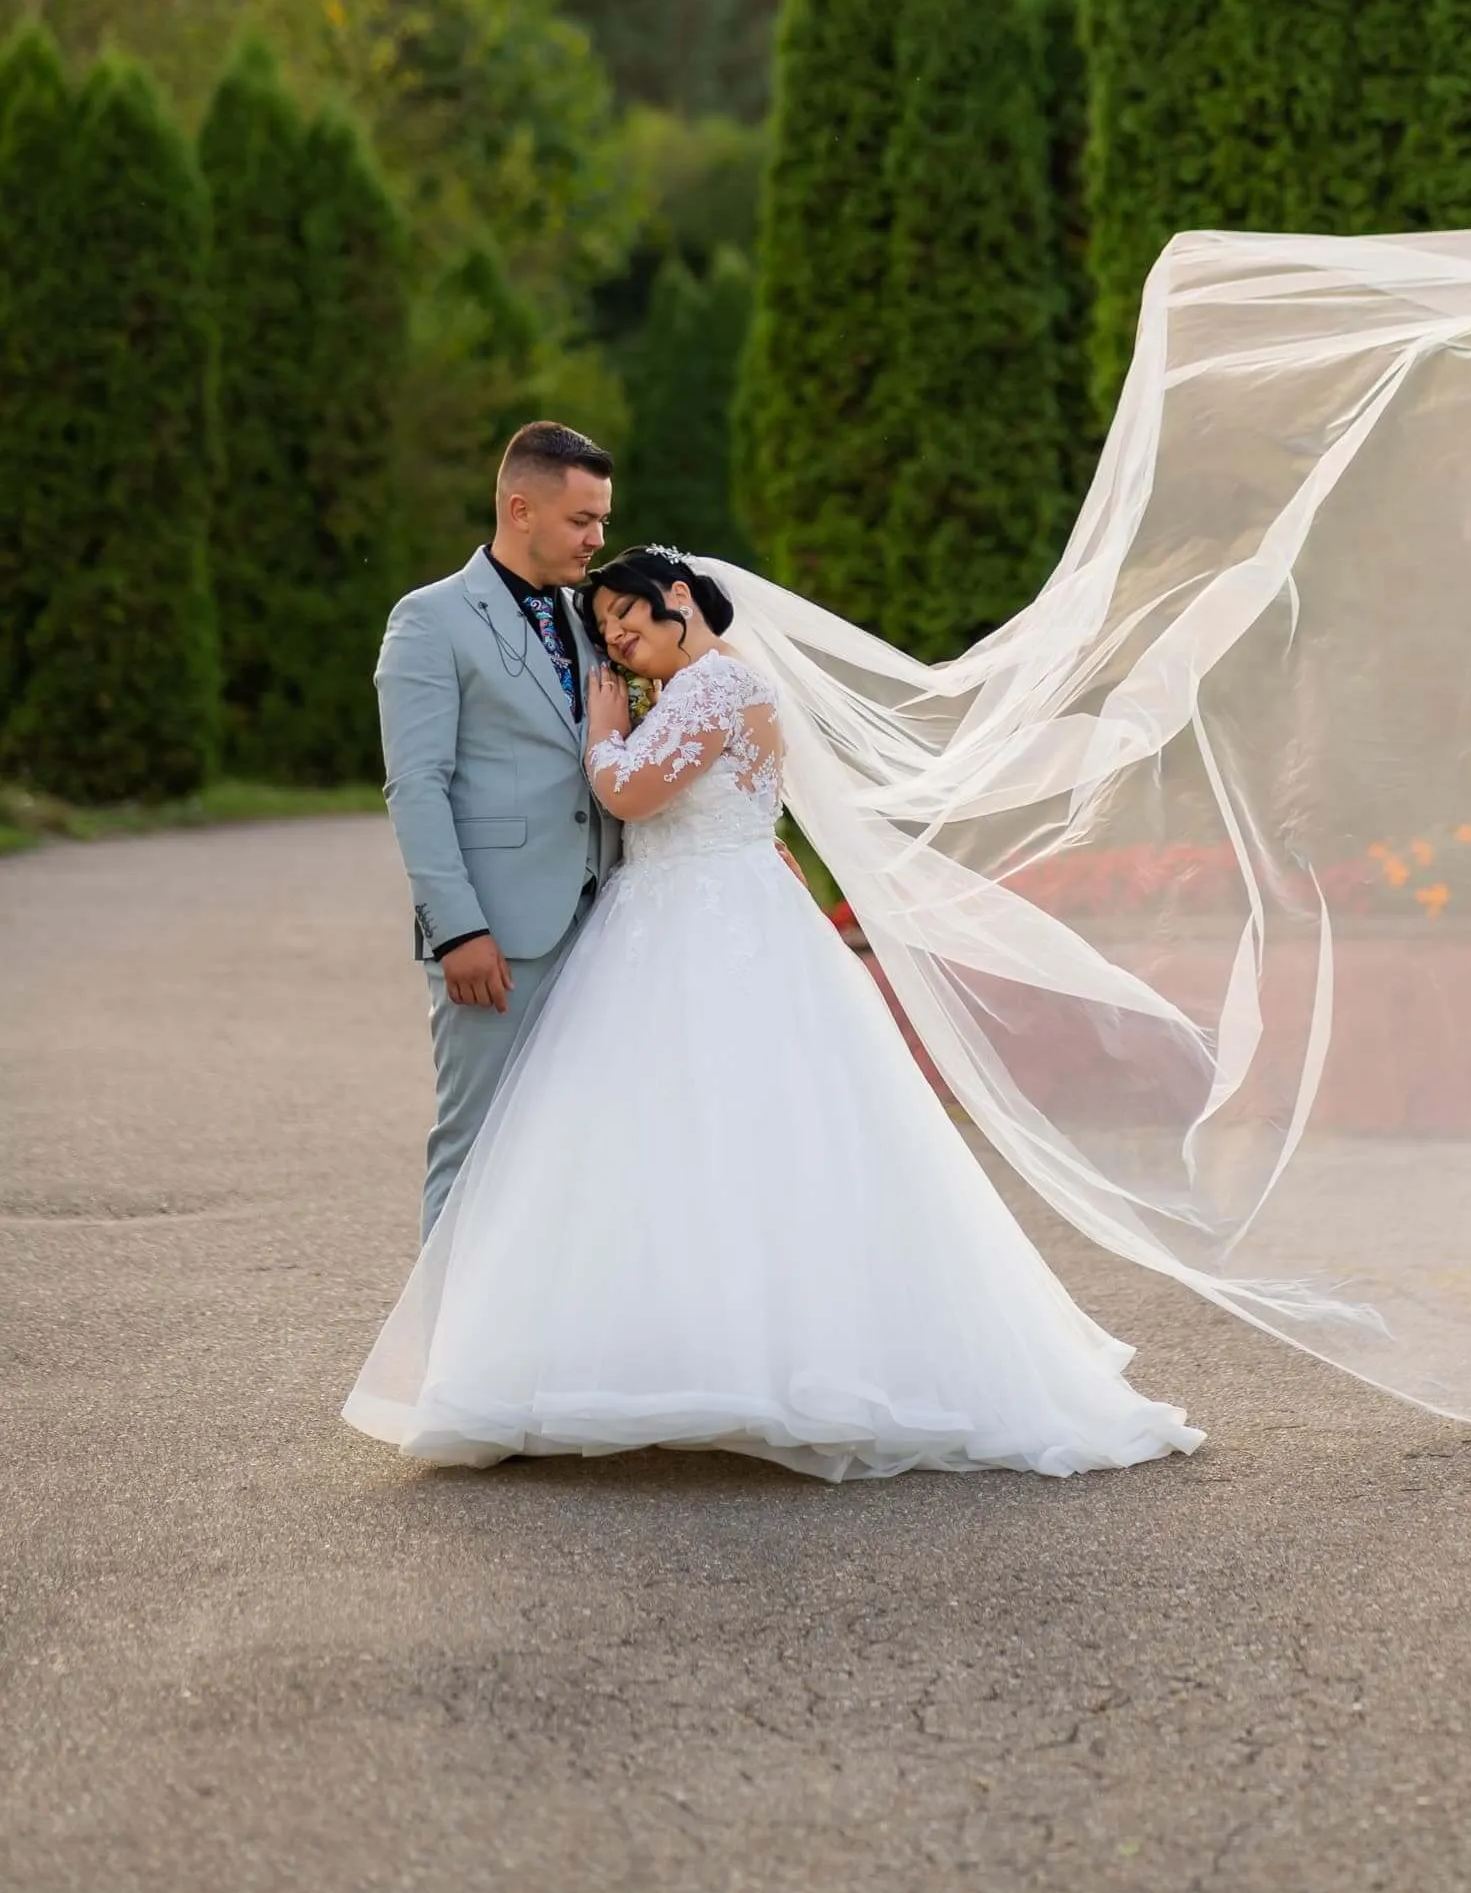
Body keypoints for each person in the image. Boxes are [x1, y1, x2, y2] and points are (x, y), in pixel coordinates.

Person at [345, 543, 1202, 1479]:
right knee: (674, 1149)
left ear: (678, 597)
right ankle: (675, 1354)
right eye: (603, 633)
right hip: (682, 912)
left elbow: (627, 790)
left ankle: (750, 1367)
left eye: (626, 617)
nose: (617, 641)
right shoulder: (695, 692)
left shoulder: (715, 686)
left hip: (707, 928)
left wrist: (600, 733)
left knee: (733, 1136)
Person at [375, 421, 620, 1240]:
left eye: (602, 521)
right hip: (497, 939)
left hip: (608, 928)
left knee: (583, 1151)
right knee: (476, 1148)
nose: (597, 539)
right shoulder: (430, 620)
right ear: (520, 508)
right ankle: (443, 1358)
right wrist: (458, 931)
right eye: (582, 520)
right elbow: (416, 787)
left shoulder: (593, 619)